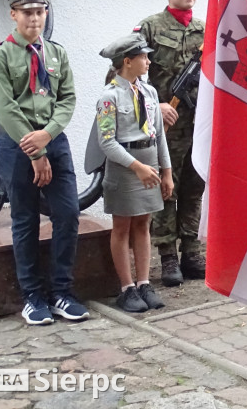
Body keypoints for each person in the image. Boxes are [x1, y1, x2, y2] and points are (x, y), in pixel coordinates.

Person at [0, 0, 89, 326]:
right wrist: (36, 149)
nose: (34, 18)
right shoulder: (1, 55)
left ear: (45, 14)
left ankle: (62, 292)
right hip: (17, 148)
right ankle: (32, 297)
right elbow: (4, 108)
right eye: (26, 12)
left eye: (39, 12)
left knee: (68, 214)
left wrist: (48, 136)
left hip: (54, 141)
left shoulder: (56, 53)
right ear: (14, 15)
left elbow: (68, 99)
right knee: (26, 219)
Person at [86, 34, 174, 313]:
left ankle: (145, 282)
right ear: (127, 61)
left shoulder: (149, 93)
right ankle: (127, 288)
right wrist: (137, 168)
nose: (148, 61)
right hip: (126, 168)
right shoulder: (109, 97)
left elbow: (159, 135)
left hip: (150, 163)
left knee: (143, 224)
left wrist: (167, 171)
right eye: (144, 57)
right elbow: (107, 142)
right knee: (123, 225)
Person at [134, 0, 205, 286]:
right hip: (166, 125)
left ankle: (191, 252)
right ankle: (167, 258)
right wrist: (154, 106)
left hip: (199, 124)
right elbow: (126, 74)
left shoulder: (206, 29)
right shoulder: (150, 27)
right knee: (166, 189)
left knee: (194, 188)